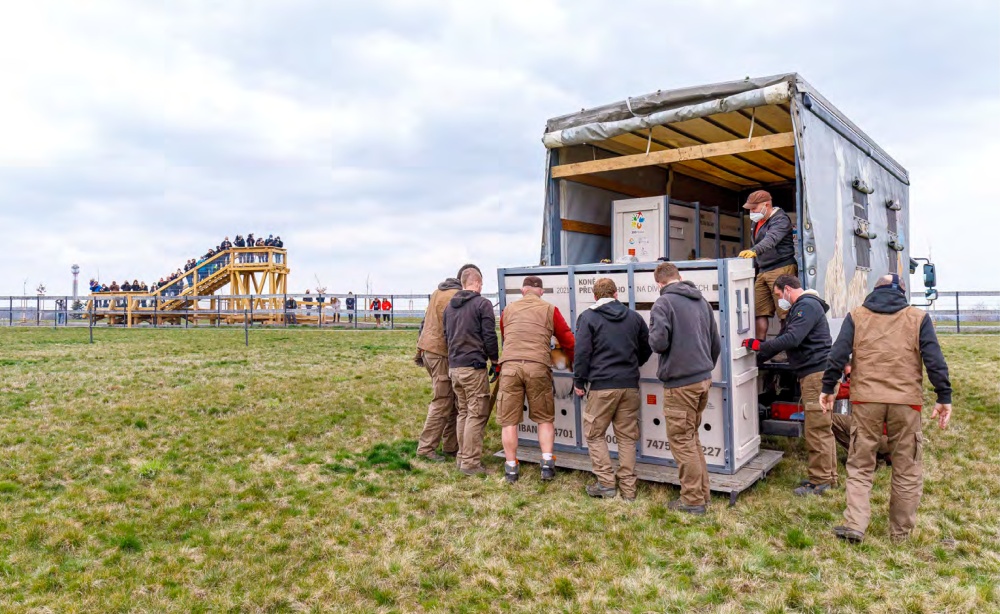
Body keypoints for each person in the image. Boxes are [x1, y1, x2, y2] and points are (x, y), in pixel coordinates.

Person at [820, 274, 952, 543]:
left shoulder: (856, 316)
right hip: (907, 402)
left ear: (875, 290)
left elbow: (837, 354)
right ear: (902, 292)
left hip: (866, 401)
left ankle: (855, 524)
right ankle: (900, 534)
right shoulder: (918, 318)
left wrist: (827, 388)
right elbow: (934, 359)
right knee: (907, 467)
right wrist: (943, 396)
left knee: (860, 465)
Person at [742, 274, 837, 496]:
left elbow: (792, 338)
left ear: (787, 289)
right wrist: (761, 352)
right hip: (816, 373)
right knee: (823, 427)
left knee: (816, 430)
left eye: (777, 295)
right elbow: (784, 338)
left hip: (816, 375)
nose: (778, 300)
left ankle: (820, 482)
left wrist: (759, 345)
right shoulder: (801, 309)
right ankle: (828, 477)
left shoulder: (807, 307)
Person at [648, 262, 721, 514]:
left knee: (681, 440)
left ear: (659, 283)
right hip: (702, 378)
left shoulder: (663, 304)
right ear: (680, 277)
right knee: (692, 437)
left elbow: (658, 343)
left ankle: (692, 500)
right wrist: (705, 367)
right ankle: (702, 493)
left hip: (680, 383)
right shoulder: (701, 301)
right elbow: (715, 342)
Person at [574, 278, 652, 501]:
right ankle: (628, 490)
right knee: (627, 438)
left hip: (601, 386)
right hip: (629, 385)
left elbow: (581, 353)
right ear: (616, 294)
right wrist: (631, 366)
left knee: (594, 433)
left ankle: (606, 484)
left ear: (595, 296)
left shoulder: (588, 316)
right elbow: (647, 349)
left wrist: (579, 381)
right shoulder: (634, 317)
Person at [497, 276, 576, 483]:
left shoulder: (508, 310)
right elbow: (568, 340)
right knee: (544, 417)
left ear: (522, 291)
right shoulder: (550, 309)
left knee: (509, 421)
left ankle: (511, 469)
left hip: (510, 367)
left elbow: (505, 336)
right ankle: (547, 465)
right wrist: (573, 363)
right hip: (538, 367)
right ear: (541, 292)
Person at [415, 264, 480, 462]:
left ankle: (452, 445)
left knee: (453, 399)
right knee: (443, 400)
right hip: (440, 352)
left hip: (429, 350)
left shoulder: (438, 292)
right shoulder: (455, 297)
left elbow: (424, 323)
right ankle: (426, 449)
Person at [442, 267, 499, 476]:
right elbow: (489, 335)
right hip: (473, 368)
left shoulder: (449, 307)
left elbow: (446, 335)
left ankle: (461, 457)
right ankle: (471, 463)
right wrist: (495, 360)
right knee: (476, 414)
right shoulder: (482, 304)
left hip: (455, 367)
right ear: (478, 283)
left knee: (464, 413)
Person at [738, 190, 798, 341]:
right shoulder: (756, 222)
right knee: (759, 311)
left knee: (785, 312)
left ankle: (786, 351)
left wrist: (754, 251)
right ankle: (760, 350)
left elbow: (771, 239)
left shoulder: (781, 220)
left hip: (781, 269)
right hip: (763, 270)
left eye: (754, 208)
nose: (751, 212)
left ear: (766, 205)